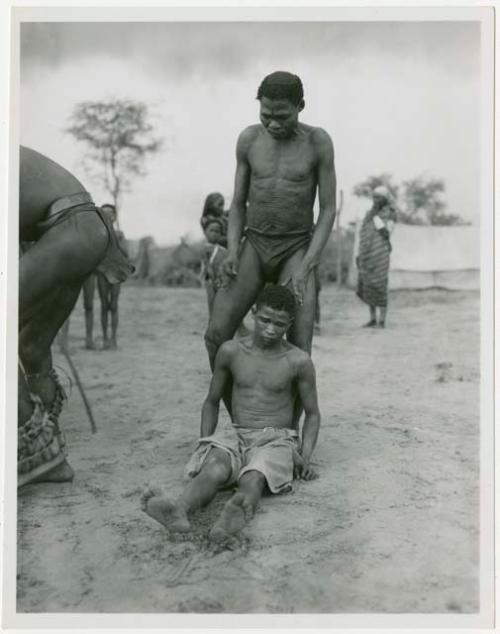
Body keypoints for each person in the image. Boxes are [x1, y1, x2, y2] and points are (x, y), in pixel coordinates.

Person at [141, 285, 320, 543]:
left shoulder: (298, 361)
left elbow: (313, 414)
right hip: (236, 434)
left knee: (254, 476)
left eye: (280, 324)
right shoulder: (231, 351)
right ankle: (179, 511)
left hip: (276, 440)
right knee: (213, 468)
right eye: (265, 320)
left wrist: (305, 456)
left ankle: (228, 522)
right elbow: (211, 401)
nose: (271, 329)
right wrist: (204, 444)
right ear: (253, 313)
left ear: (290, 323)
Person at [204, 71, 336, 418]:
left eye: (283, 116)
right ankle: (240, 416)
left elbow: (328, 209)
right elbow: (237, 204)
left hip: (296, 248)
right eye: (266, 115)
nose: (274, 124)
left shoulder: (318, 142)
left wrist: (308, 264)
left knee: (299, 346)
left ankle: (288, 431)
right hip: (255, 244)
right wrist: (233, 250)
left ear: (300, 107)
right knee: (216, 334)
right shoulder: (248, 140)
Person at [18, 146, 134, 486]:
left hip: (69, 229)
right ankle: (48, 449)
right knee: (31, 346)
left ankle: (36, 449)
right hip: (86, 231)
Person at [356, 185, 396, 328]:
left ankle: (382, 321)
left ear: (385, 199)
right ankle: (372, 319)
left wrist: (376, 219)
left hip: (381, 254)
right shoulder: (369, 214)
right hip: (367, 254)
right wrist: (359, 254)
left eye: (379, 197)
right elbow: (363, 233)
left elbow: (386, 233)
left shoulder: (391, 213)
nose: (376, 200)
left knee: (380, 285)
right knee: (368, 284)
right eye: (374, 197)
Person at [96, 203, 128, 350]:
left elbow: (126, 254)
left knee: (113, 305)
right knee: (104, 305)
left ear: (114, 217)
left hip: (116, 272)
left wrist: (114, 240)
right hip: (103, 273)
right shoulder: (97, 234)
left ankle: (114, 338)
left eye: (110, 214)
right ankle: (105, 339)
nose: (108, 216)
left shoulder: (120, 235)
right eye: (104, 214)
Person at [201, 218, 228, 315]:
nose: (214, 233)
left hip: (222, 280)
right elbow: (207, 265)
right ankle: (212, 324)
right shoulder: (206, 248)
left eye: (217, 231)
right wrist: (213, 279)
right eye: (211, 230)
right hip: (211, 280)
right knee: (212, 304)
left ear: (221, 234)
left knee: (223, 303)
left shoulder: (223, 250)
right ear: (205, 232)